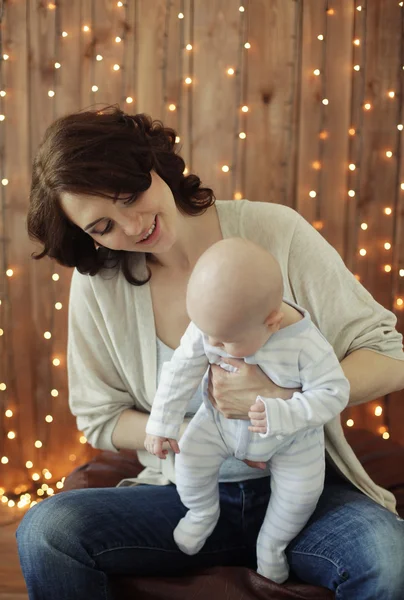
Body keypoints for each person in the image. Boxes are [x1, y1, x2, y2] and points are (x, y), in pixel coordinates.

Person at [17, 106, 404, 600]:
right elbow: (100, 418)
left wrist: (284, 397)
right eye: (102, 227)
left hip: (306, 489)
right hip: (183, 495)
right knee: (46, 532)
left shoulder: (275, 232)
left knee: (390, 558)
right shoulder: (101, 285)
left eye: (131, 196)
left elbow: (389, 355)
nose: (132, 227)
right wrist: (186, 434)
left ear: (153, 164)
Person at [145, 237, 350, 583]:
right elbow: (181, 368)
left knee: (301, 494)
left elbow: (334, 392)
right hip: (219, 424)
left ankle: (271, 545)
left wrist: (283, 411)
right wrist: (162, 422)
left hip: (291, 441)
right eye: (205, 332)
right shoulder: (212, 326)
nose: (211, 345)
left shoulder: (305, 343)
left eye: (224, 341)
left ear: (271, 322)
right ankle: (201, 513)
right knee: (191, 457)